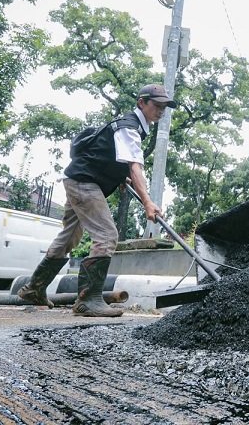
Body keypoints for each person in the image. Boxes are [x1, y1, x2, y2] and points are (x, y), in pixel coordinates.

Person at [17, 84, 177, 317]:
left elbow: (111, 157)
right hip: (84, 182)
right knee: (107, 236)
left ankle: (34, 288)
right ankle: (88, 300)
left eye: (164, 106)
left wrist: (118, 175)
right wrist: (147, 202)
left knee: (69, 237)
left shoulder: (130, 125)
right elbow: (135, 166)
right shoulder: (129, 128)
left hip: (78, 179)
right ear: (141, 102)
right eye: (157, 104)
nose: (161, 110)